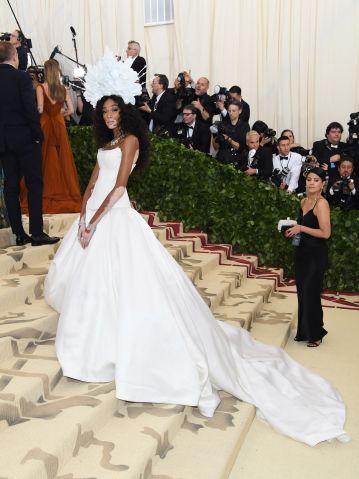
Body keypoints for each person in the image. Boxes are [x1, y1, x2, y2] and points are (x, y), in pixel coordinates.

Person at [43, 53, 350, 447]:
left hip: (115, 217)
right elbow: (95, 180)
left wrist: (96, 220)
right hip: (94, 218)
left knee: (124, 280)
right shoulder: (106, 140)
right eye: (104, 111)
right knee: (91, 283)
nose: (108, 116)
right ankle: (95, 338)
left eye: (114, 110)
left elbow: (119, 187)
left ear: (124, 112)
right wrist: (83, 214)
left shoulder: (132, 140)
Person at [0, 42, 59, 246]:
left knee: (10, 186)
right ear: (14, 56)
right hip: (25, 139)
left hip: (4, 142)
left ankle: (18, 234)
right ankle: (37, 233)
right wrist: (37, 134)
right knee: (34, 184)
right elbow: (30, 108)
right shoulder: (21, 77)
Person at [20, 59, 82, 214]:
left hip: (45, 126)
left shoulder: (41, 88)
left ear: (46, 72)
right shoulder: (64, 89)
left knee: (41, 160)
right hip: (60, 126)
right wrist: (59, 113)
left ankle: (43, 192)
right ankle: (63, 193)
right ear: (58, 71)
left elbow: (40, 109)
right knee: (62, 161)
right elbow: (71, 109)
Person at [285, 168, 330, 347]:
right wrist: (293, 229)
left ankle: (316, 333)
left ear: (322, 184)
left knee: (311, 293)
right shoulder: (303, 201)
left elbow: (326, 233)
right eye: (309, 179)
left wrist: (301, 229)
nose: (311, 182)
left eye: (316, 180)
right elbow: (302, 225)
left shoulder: (321, 204)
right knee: (303, 293)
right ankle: (305, 332)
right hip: (302, 252)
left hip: (316, 255)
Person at [213, 100, 249, 164]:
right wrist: (215, 136)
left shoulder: (244, 126)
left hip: (237, 160)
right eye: (229, 111)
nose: (231, 113)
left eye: (233, 111)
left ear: (240, 111)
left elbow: (241, 147)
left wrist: (229, 139)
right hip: (221, 159)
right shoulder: (222, 124)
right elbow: (216, 147)